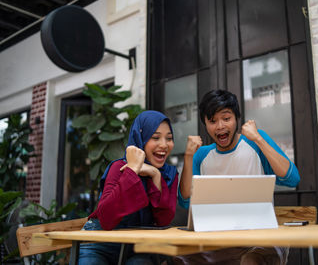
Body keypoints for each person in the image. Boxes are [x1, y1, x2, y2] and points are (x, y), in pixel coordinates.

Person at [176, 89, 300, 265]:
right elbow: (186, 201)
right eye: (212, 121)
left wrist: (258, 138)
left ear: (237, 118)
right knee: (177, 261)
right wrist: (188, 157)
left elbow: (292, 178)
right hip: (221, 242)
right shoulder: (201, 155)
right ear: (205, 123)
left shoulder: (254, 142)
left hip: (263, 238)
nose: (220, 126)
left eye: (226, 119)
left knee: (251, 260)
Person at [78, 110, 178, 265]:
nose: (164, 145)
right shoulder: (119, 167)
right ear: (140, 139)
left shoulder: (169, 174)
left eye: (169, 138)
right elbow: (106, 219)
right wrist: (132, 170)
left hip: (138, 246)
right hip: (99, 242)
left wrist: (155, 175)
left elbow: (163, 221)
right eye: (156, 137)